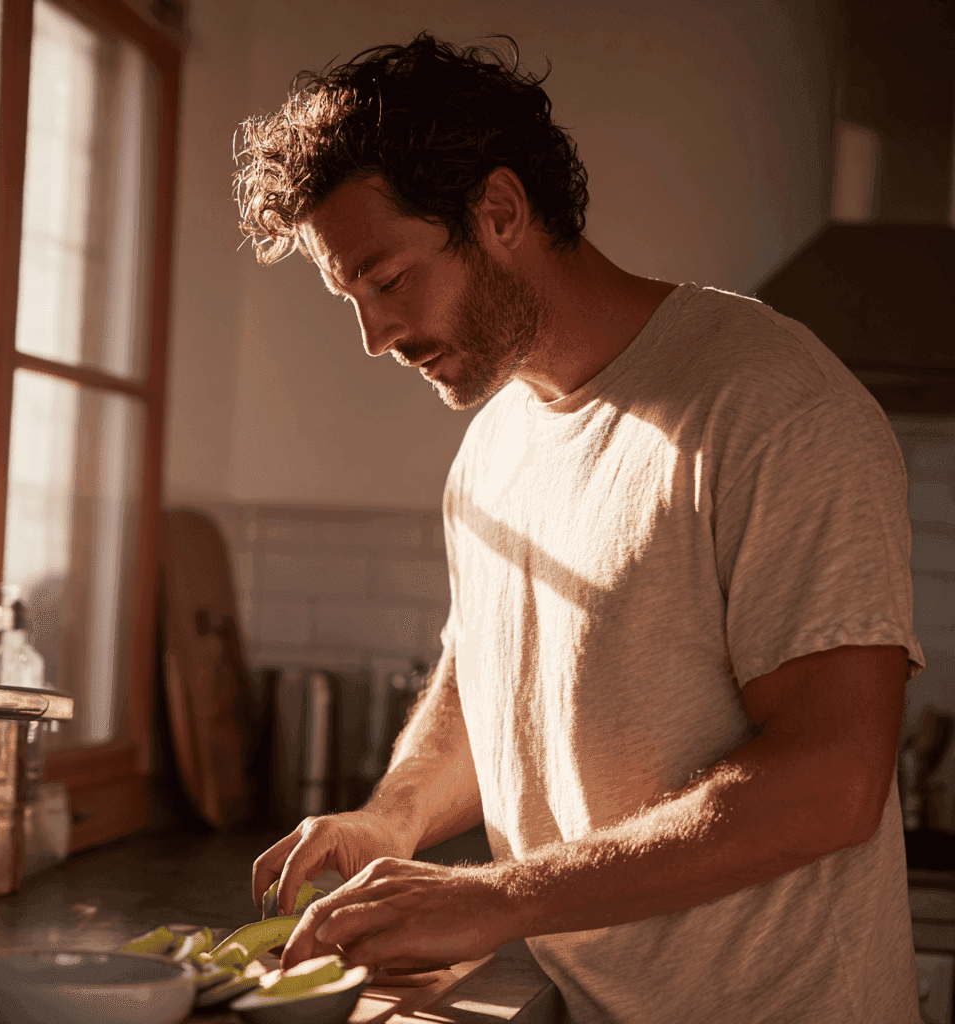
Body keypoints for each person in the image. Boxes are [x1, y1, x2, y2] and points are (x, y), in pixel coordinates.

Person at [234, 32, 924, 1023]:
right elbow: (489, 684)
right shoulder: (494, 446)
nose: (374, 337)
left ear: (500, 211)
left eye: (385, 281)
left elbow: (831, 780)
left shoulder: (770, 403)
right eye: (354, 297)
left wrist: (496, 896)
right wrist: (391, 818)